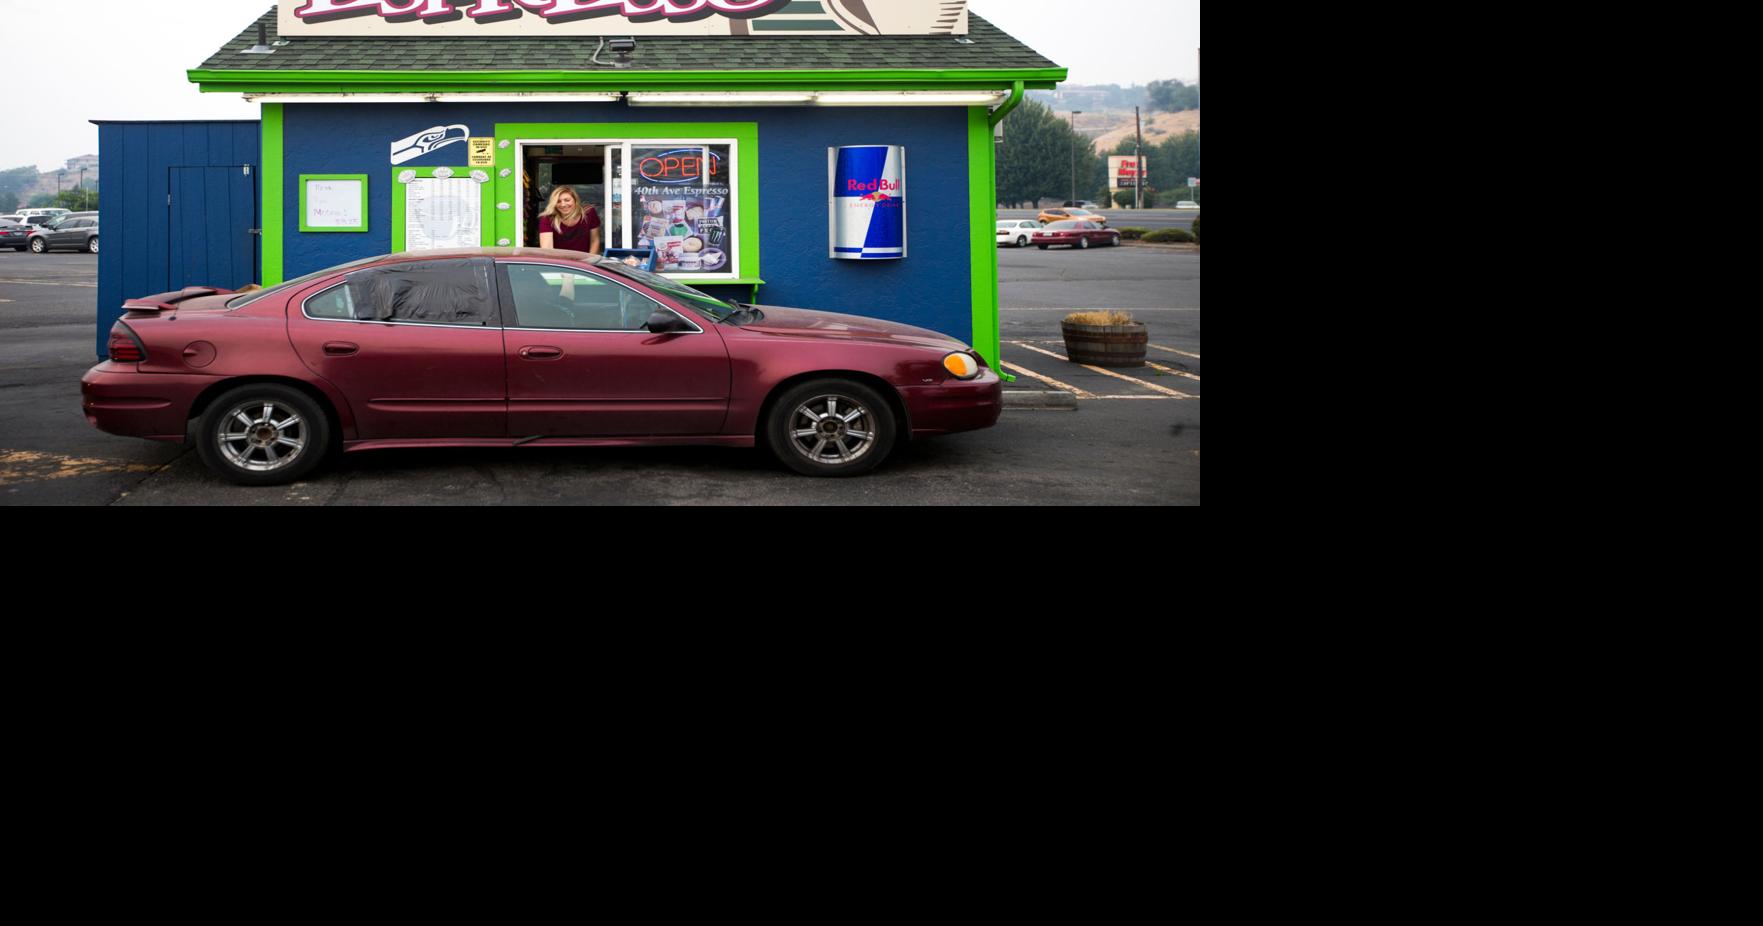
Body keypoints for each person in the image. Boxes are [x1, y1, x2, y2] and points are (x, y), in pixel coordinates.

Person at [537, 185, 601, 256]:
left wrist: (590, 262)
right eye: (558, 201)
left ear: (575, 200)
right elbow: (547, 250)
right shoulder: (547, 219)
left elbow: (595, 241)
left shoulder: (589, 213)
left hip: (585, 263)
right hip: (561, 263)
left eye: (567, 200)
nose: (563, 204)